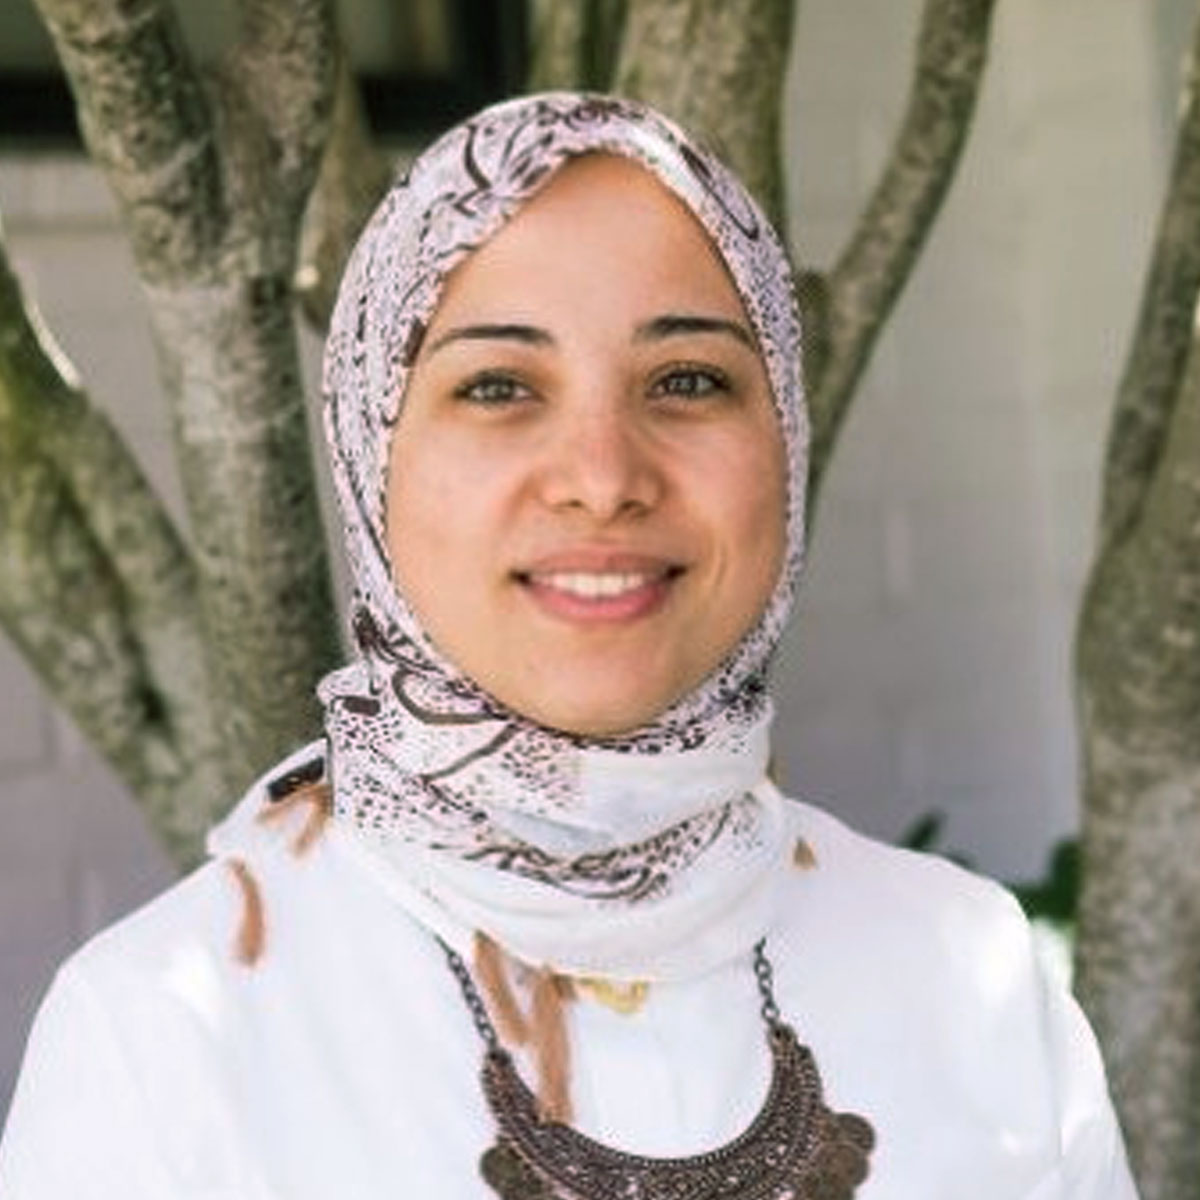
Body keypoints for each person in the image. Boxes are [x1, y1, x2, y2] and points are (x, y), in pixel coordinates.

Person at [0, 92, 1137, 1199]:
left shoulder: (970, 977)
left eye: (687, 380)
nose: (603, 476)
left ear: (781, 440)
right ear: (369, 454)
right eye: (499, 386)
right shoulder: (167, 1037)